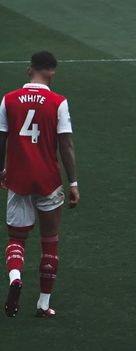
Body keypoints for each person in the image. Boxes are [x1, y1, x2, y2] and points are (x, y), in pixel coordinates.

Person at [0, 51, 79, 319]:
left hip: (18, 178)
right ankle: (43, 304)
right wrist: (74, 182)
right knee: (50, 241)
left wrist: (2, 170)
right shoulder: (58, 102)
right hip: (48, 180)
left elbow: (2, 138)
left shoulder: (9, 100)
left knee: (16, 238)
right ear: (51, 71)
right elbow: (66, 145)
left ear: (29, 69)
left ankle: (15, 277)